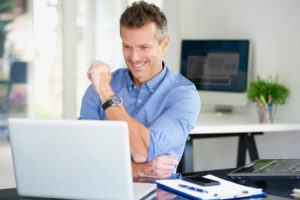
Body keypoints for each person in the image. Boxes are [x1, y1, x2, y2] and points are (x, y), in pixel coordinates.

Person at [79, 1, 200, 178]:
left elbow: (143, 150)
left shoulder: (183, 95)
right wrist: (139, 170)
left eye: (144, 47)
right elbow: (83, 155)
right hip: (102, 188)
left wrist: (106, 93)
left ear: (164, 44)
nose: (134, 57)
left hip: (159, 194)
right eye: (127, 46)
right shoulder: (98, 86)